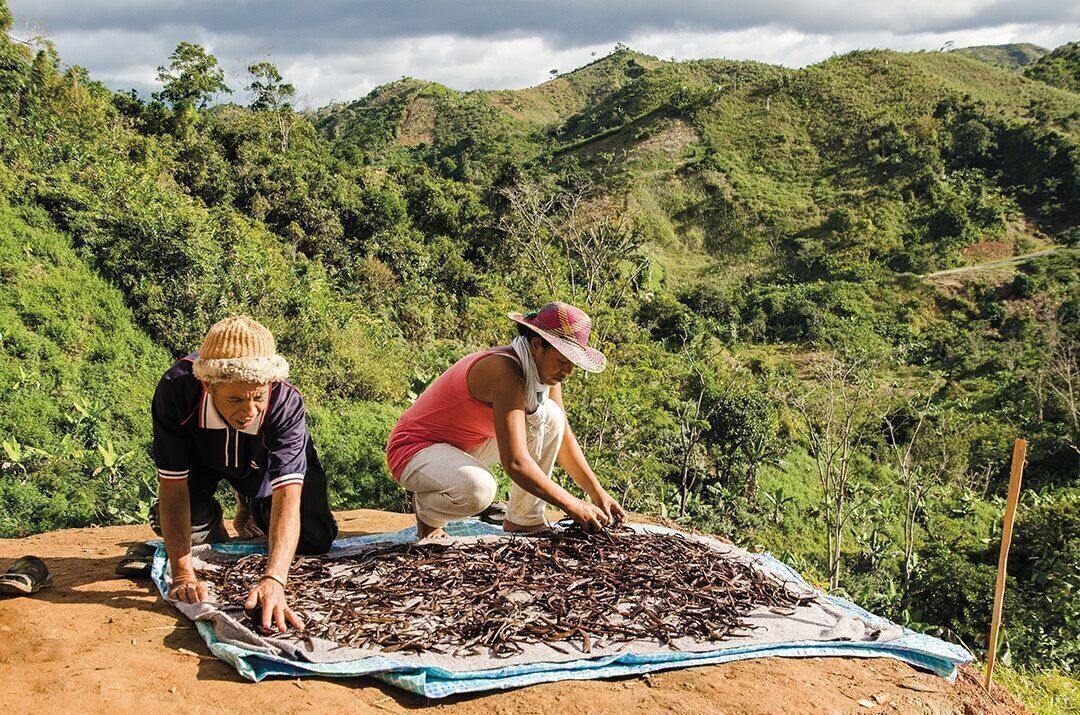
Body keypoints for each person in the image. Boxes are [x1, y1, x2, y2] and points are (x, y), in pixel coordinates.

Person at [149, 316, 337, 631]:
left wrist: (275, 578)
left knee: (315, 539)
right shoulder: (176, 391)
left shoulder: (285, 403)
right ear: (208, 386)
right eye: (236, 398)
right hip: (202, 458)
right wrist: (182, 573)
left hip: (260, 461)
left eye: (257, 397)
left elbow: (288, 493)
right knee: (185, 534)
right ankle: (207, 515)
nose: (249, 411)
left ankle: (253, 503)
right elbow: (172, 484)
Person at [386, 301, 625, 540]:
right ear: (536, 345)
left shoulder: (544, 376)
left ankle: (524, 519)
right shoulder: (504, 370)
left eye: (572, 363)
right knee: (479, 489)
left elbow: (562, 437)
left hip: (465, 447)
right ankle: (429, 516)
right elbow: (516, 462)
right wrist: (572, 505)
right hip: (414, 450)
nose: (568, 370)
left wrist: (597, 493)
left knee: (552, 416)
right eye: (563, 360)